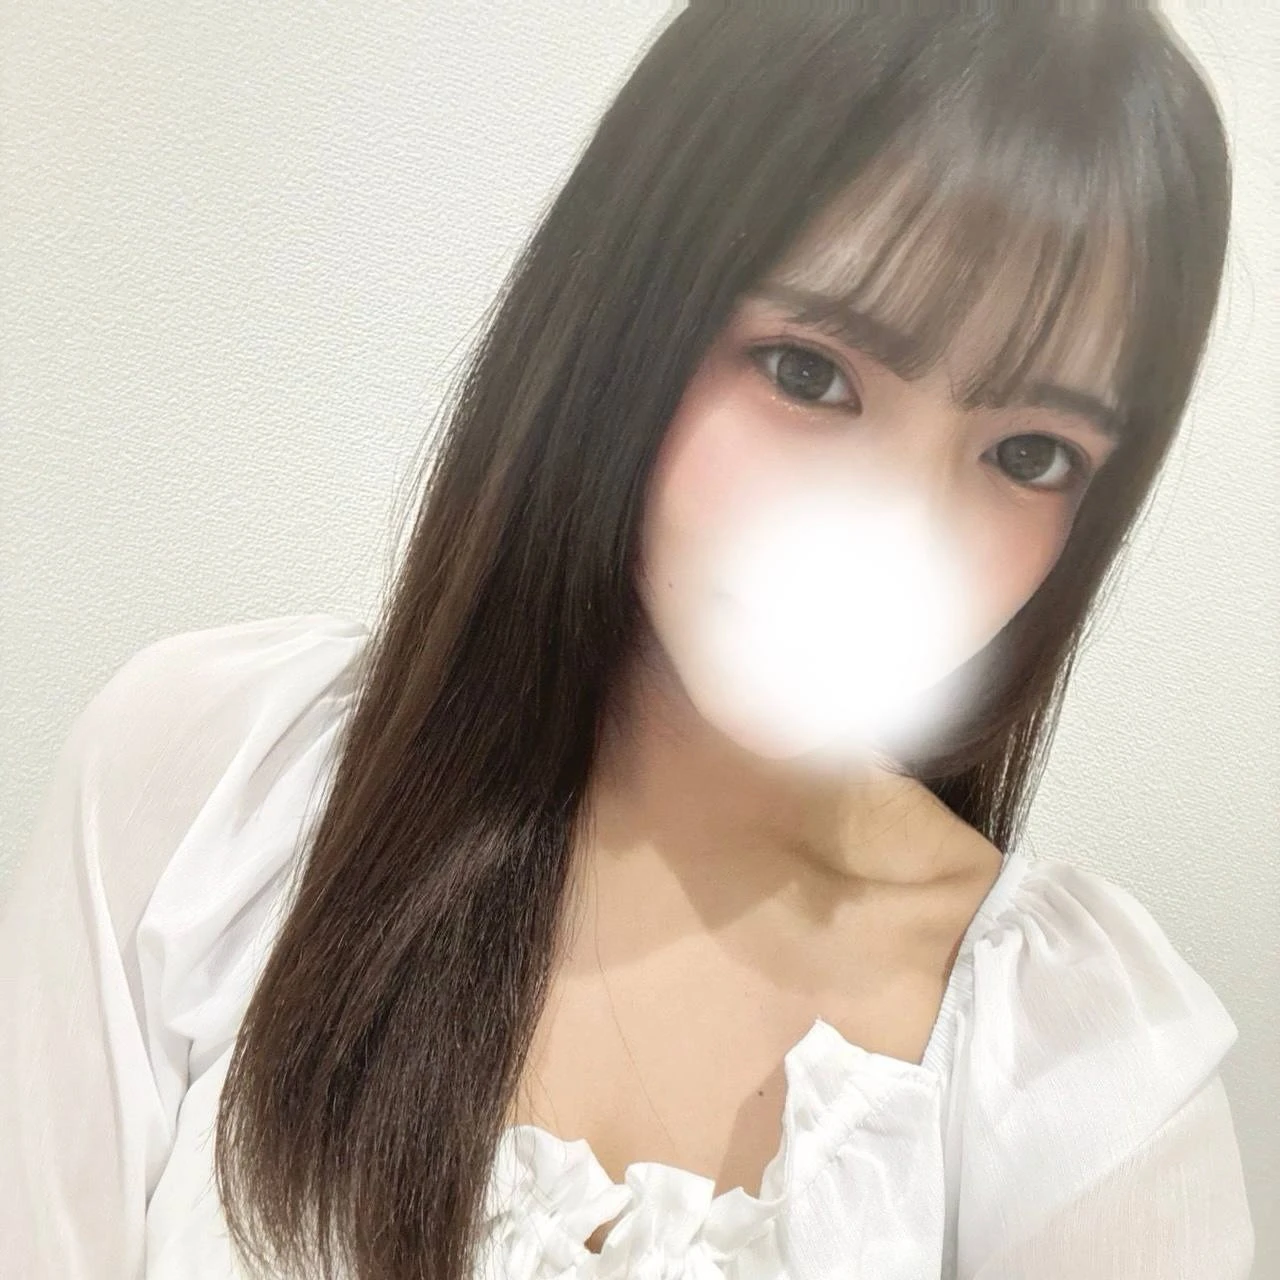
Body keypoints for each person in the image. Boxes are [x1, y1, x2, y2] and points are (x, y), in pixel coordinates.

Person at [0, 4, 1256, 1279]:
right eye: (806, 373)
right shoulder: (213, 785)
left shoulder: (1073, 1056)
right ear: (622, 323)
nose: (902, 539)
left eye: (1028, 454)